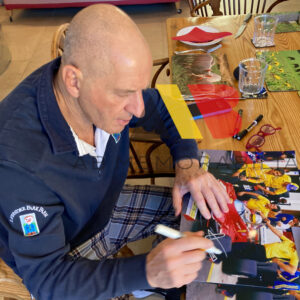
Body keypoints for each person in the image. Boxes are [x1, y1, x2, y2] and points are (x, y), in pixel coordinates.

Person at [0, 4, 230, 300]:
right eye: (124, 94)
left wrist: (187, 163)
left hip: (101, 209)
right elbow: (47, 282)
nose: (137, 108)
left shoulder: (96, 91)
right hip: (61, 252)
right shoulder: (20, 165)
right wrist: (145, 270)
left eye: (140, 90)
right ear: (74, 81)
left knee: (200, 209)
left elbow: (169, 101)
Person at [228, 220, 299, 275]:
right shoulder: (290, 243)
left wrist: (278, 262)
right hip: (261, 247)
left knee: (239, 251)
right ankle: (224, 250)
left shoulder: (296, 256)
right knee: (240, 247)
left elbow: (292, 270)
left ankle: (222, 253)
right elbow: (278, 233)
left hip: (264, 255)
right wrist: (268, 224)